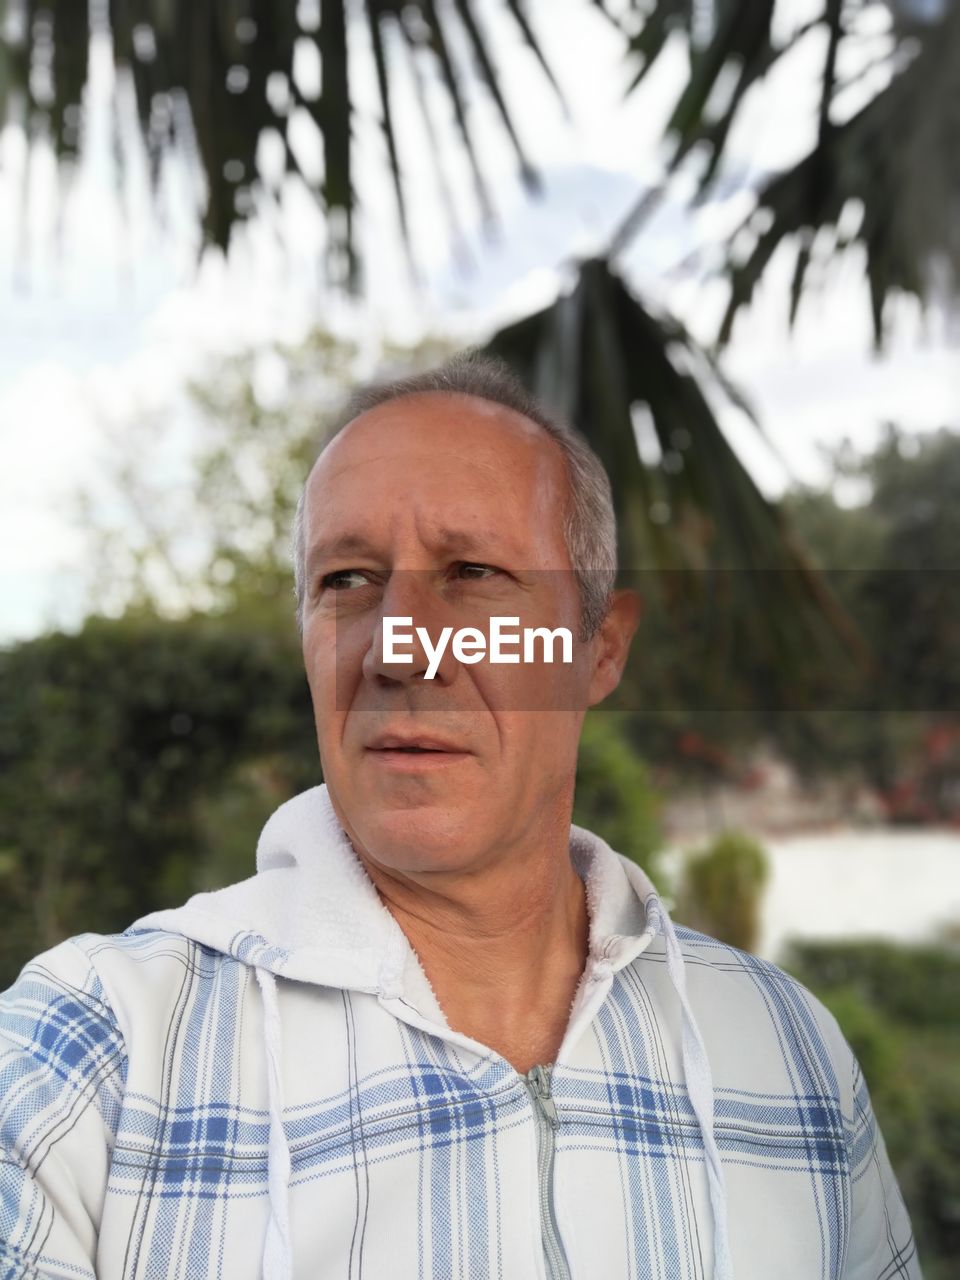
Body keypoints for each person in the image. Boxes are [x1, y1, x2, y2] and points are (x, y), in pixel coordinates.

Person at [0, 352, 919, 1280]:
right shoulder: (89, 1058)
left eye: (473, 573)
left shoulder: (789, 1056)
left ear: (599, 648)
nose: (400, 650)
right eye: (348, 581)